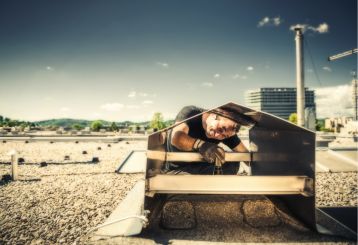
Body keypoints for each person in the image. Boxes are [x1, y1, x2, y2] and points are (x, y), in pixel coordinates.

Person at [164, 105, 250, 175]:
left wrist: (261, 169)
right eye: (220, 129)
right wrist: (201, 145)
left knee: (233, 164)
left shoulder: (227, 131)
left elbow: (245, 154)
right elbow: (176, 138)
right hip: (178, 167)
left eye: (224, 136)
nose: (218, 135)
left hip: (200, 166)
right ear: (213, 115)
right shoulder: (191, 113)